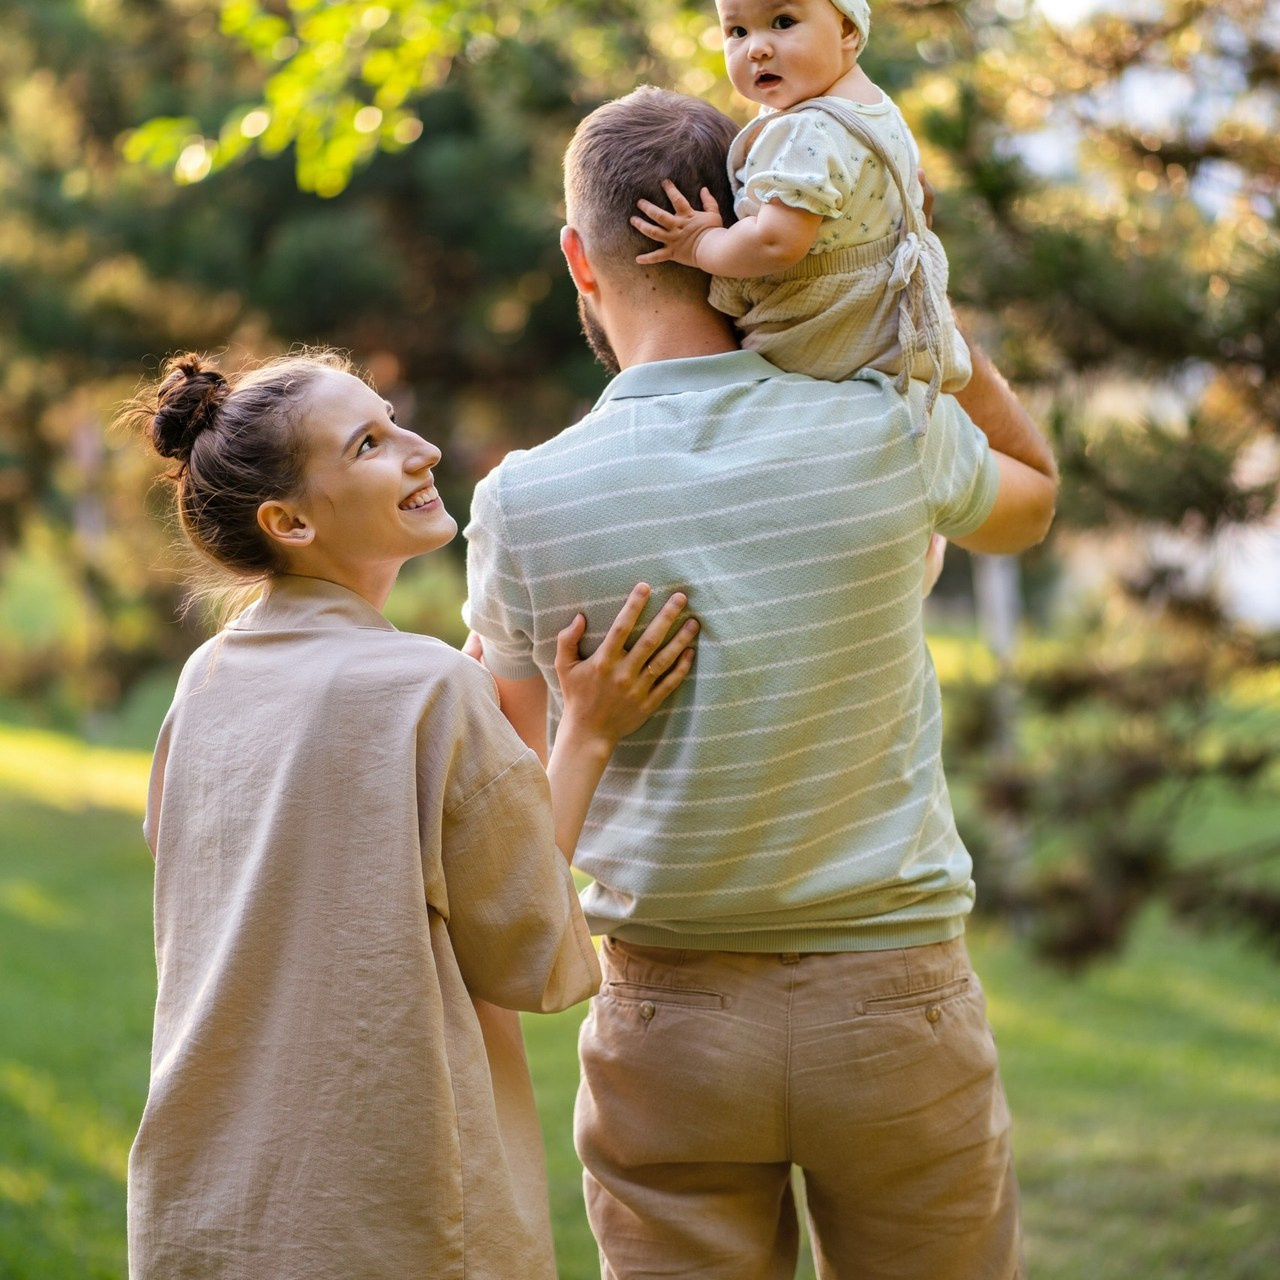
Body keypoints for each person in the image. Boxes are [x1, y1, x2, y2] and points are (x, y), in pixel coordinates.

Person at [463, 86, 1057, 1279]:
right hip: (894, 1005)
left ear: (579, 257)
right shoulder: (882, 425)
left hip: (666, 1028)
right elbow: (1030, 497)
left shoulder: (522, 501)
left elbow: (502, 794)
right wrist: (915, 303)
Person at [120, 350, 698, 1280]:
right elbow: (534, 956)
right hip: (391, 1211)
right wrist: (584, 732)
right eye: (371, 443)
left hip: (207, 1204)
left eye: (396, 421)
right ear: (290, 521)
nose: (422, 450)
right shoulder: (428, 690)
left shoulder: (208, 679)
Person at [631, 0, 970, 417]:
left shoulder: (804, 131)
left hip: (825, 331)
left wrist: (702, 242)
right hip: (890, 321)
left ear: (847, 30)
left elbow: (775, 243)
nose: (756, 48)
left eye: (783, 22)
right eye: (737, 32)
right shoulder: (876, 108)